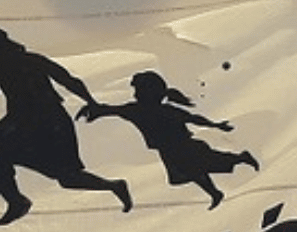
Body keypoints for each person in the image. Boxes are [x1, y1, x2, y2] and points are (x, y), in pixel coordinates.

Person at [0, 16, 132, 225]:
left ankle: (113, 186)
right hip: (20, 120)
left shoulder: (25, 59)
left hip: (48, 121)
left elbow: (67, 80)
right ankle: (11, 195)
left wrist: (92, 102)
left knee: (68, 178)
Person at [80, 70, 257, 209]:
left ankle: (241, 158)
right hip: (167, 150)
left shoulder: (164, 111)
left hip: (184, 147)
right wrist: (94, 110)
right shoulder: (135, 109)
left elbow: (193, 118)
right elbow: (111, 110)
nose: (136, 94)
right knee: (187, 173)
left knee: (207, 163)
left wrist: (217, 125)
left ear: (149, 92)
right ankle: (216, 192)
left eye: (138, 90)